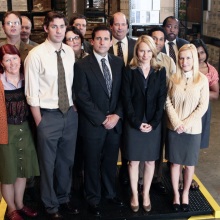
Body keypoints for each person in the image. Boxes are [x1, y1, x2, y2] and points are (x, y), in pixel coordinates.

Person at [25, 11, 79, 220]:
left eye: (62, 27)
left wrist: (73, 109)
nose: (58, 30)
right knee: (48, 163)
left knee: (66, 162)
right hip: (47, 116)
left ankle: (63, 198)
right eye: (54, 26)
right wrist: (40, 121)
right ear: (46, 28)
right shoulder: (35, 55)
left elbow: (71, 84)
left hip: (69, 114)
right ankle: (50, 205)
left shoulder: (69, 51)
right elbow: (32, 92)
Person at [73, 26, 124, 216]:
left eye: (106, 39)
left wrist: (117, 115)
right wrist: (103, 119)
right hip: (93, 125)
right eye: (98, 39)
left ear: (111, 42)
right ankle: (93, 198)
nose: (102, 42)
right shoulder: (82, 65)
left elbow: (123, 93)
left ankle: (110, 193)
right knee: (92, 163)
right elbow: (82, 97)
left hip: (115, 123)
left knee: (110, 161)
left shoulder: (119, 63)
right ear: (92, 41)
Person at [121, 35, 167, 212]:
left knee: (149, 161)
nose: (145, 54)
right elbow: (126, 99)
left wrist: (154, 123)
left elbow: (161, 97)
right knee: (133, 162)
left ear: (153, 52)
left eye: (149, 50)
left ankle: (146, 193)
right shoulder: (129, 70)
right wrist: (136, 122)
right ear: (137, 51)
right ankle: (134, 193)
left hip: (153, 124)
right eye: (142, 50)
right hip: (134, 123)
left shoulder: (159, 70)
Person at [165, 44, 209, 212]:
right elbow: (167, 101)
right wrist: (177, 123)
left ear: (194, 59)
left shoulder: (202, 80)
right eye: (181, 58)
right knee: (175, 163)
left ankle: (185, 194)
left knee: (189, 164)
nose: (184, 61)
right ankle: (176, 194)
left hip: (192, 130)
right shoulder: (173, 78)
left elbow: (202, 106)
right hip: (174, 128)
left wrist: (186, 123)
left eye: (188, 58)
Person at [0, 44, 39, 220]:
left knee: (22, 170)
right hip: (5, 131)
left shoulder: (26, 79)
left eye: (14, 58)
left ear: (20, 59)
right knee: (8, 173)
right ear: (2, 63)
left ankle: (20, 204)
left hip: (25, 129)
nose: (12, 62)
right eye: (7, 59)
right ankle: (11, 209)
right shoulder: (0, 81)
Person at [138, 26, 176, 195]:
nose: (158, 42)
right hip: (142, 111)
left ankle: (157, 178)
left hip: (162, 109)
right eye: (154, 38)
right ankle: (139, 179)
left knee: (157, 147)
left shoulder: (168, 61)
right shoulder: (139, 59)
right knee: (140, 147)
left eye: (161, 39)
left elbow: (174, 84)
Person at [109, 11, 136, 185]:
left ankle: (127, 178)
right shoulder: (102, 45)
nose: (120, 28)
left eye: (123, 24)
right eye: (116, 24)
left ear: (128, 26)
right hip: (110, 106)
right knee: (110, 147)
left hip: (133, 105)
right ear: (111, 26)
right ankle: (109, 179)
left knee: (130, 144)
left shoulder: (137, 45)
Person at [190, 38, 219, 189]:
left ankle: (189, 176)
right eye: (196, 52)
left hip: (203, 112)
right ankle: (178, 173)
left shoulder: (210, 70)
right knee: (184, 142)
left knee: (196, 145)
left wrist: (201, 93)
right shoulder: (186, 67)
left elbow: (216, 94)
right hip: (187, 110)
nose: (200, 55)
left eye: (202, 52)